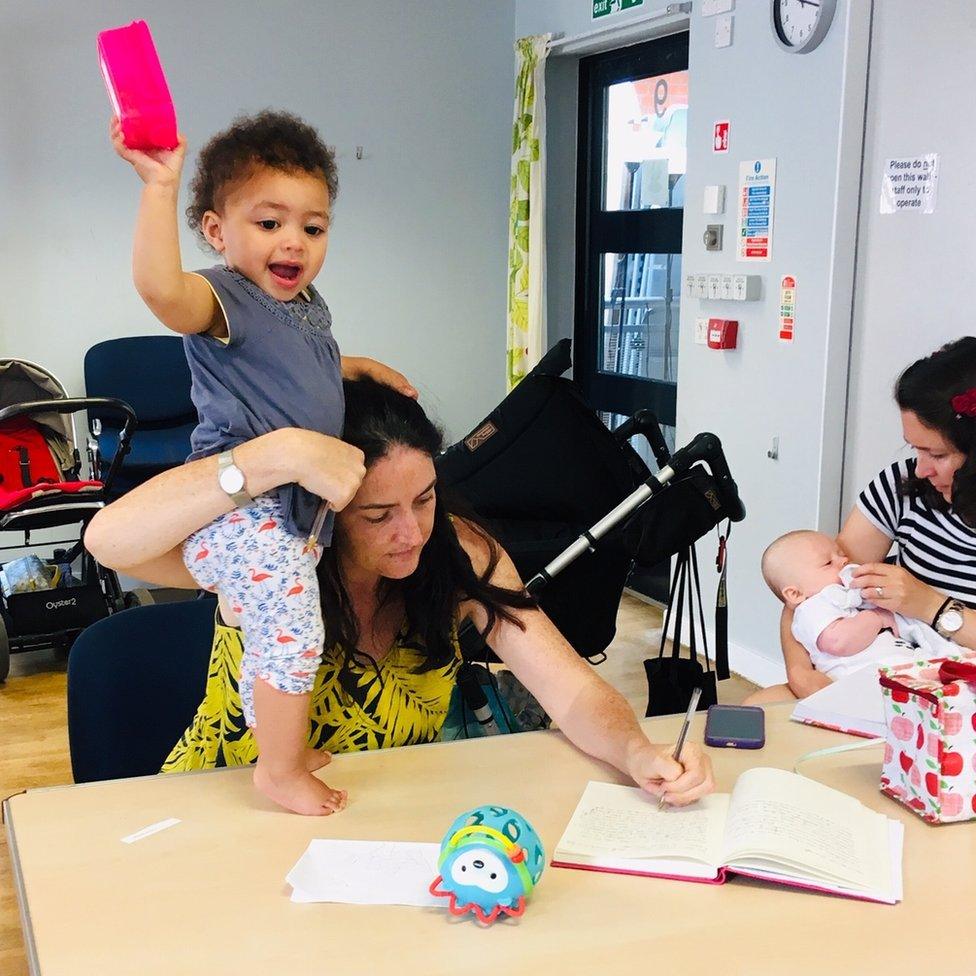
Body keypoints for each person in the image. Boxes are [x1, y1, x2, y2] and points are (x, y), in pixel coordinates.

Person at [85, 378, 715, 816]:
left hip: (380, 818)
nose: (412, 533)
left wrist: (636, 749)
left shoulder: (459, 552)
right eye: (378, 514)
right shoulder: (272, 559)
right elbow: (109, 541)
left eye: (424, 498)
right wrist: (268, 459)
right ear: (323, 513)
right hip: (232, 807)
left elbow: (571, 688)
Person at [110, 109, 415, 815]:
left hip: (291, 517)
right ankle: (278, 771)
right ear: (217, 232)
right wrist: (160, 186)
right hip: (246, 510)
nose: (294, 242)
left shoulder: (305, 306)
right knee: (294, 633)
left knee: (272, 639)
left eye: (313, 227)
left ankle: (277, 746)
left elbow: (304, 372)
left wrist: (355, 367)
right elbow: (162, 290)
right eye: (269, 222)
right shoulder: (228, 299)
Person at [748, 337, 976, 704]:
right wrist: (801, 673)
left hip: (955, 692)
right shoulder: (904, 486)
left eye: (937, 453)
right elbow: (810, 587)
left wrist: (927, 605)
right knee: (757, 709)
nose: (920, 468)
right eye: (913, 447)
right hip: (880, 673)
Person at [761, 530, 956, 681]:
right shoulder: (812, 608)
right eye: (828, 562)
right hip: (860, 680)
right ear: (795, 593)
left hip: (902, 666)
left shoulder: (852, 595)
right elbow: (838, 642)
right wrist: (876, 618)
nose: (844, 560)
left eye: (841, 554)